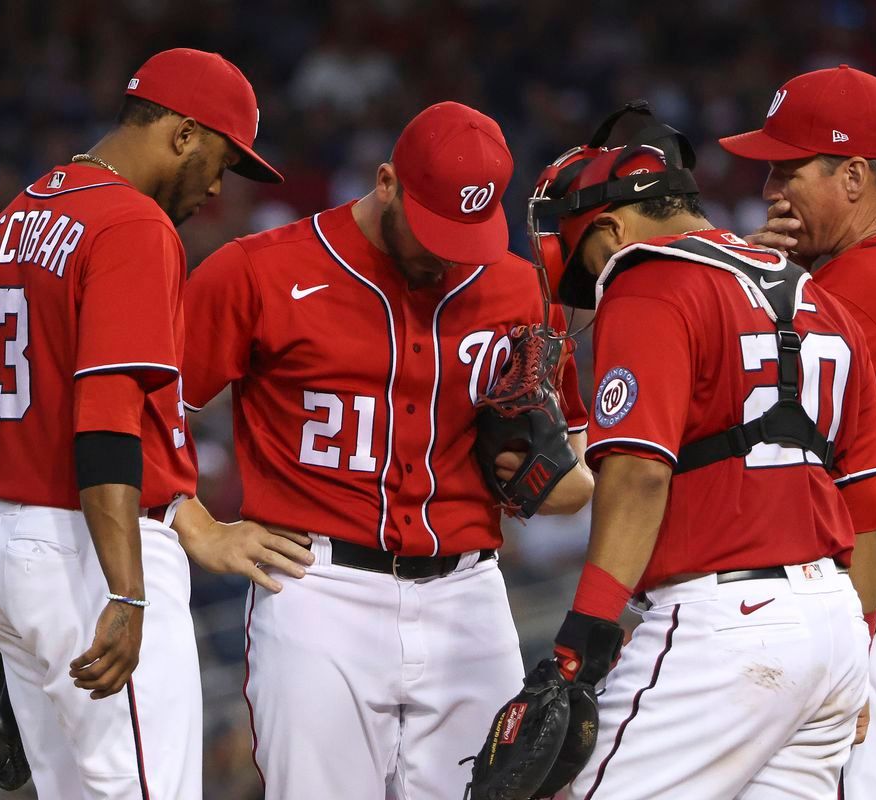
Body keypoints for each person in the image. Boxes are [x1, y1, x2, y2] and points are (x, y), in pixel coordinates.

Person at [180, 100, 594, 798]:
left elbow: (576, 462)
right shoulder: (258, 271)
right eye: (435, 229)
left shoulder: (519, 286)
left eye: (467, 233)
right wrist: (196, 525)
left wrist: (560, 485)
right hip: (319, 587)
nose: (447, 252)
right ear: (385, 182)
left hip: (469, 591)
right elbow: (144, 405)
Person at [0, 48, 302, 799]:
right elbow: (106, 423)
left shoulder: (10, 223)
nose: (217, 185)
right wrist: (127, 592)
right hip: (94, 550)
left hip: (12, 544)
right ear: (181, 133)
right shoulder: (132, 226)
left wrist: (1, 560)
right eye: (219, 158)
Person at [524, 104, 876, 799]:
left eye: (588, 261)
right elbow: (869, 507)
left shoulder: (645, 277)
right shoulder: (821, 299)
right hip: (836, 630)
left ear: (610, 226)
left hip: (726, 628)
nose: (595, 282)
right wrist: (859, 653)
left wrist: (583, 641)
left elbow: (636, 478)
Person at [720, 64, 876, 799]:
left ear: (856, 176)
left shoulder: (857, 292)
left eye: (787, 169)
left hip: (875, 600)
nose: (770, 190)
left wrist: (748, 276)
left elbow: (728, 421)